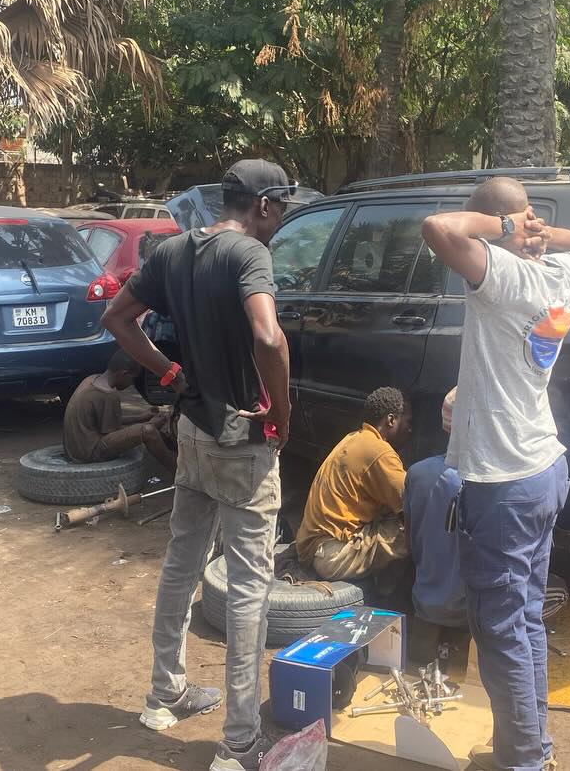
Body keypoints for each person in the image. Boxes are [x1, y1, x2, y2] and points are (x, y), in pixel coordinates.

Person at [101, 159, 297, 771]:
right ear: (262, 204)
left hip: (192, 430)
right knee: (248, 591)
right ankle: (239, 744)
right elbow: (269, 339)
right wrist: (281, 416)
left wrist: (168, 373)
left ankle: (167, 692)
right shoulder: (249, 257)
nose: (283, 217)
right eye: (283, 205)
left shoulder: (173, 251)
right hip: (243, 442)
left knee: (182, 563)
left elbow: (116, 318)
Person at [420, 177, 570, 771]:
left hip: (503, 484)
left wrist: (505, 231)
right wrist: (538, 231)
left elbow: (440, 229)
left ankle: (523, 759)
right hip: (545, 467)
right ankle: (528, 746)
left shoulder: (506, 274)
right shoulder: (558, 273)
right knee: (524, 618)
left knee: (499, 630)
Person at [295, 387, 412, 581]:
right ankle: (392, 597)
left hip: (311, 548)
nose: (410, 429)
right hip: (334, 555)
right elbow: (411, 506)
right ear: (391, 420)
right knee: (413, 530)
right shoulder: (381, 452)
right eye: (408, 422)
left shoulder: (353, 438)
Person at [403, 387, 466, 629]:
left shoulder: (416, 473)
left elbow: (409, 544)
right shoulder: (486, 483)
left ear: (445, 426)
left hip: (424, 605)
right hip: (469, 613)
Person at [62, 350, 176, 473]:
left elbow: (106, 420)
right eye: (132, 379)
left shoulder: (92, 379)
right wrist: (152, 424)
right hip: (89, 453)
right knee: (148, 431)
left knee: (144, 427)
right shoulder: (108, 395)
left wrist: (141, 417)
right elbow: (114, 433)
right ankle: (177, 471)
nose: (132, 383)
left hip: (76, 449)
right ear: (124, 374)